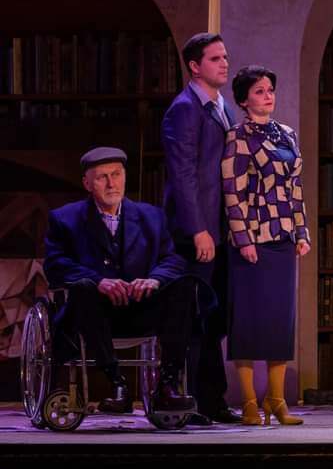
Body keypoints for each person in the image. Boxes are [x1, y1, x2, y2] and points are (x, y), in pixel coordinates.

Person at [43, 147, 196, 415]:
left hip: (140, 309)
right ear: (87, 184)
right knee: (83, 288)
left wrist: (154, 280)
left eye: (116, 174)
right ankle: (116, 384)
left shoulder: (152, 216)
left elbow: (171, 259)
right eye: (102, 177)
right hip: (93, 314)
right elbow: (55, 265)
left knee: (184, 286)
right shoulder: (65, 218)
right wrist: (99, 281)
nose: (111, 183)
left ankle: (168, 385)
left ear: (125, 177)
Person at [222, 65, 311, 426]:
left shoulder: (286, 134)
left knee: (279, 322)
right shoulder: (238, 136)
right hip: (253, 239)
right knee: (248, 321)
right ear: (244, 100)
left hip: (282, 237)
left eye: (270, 89)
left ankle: (276, 400)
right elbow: (232, 191)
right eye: (259, 91)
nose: (267, 96)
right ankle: (248, 402)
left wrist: (301, 233)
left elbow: (295, 188)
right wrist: (243, 238)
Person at [162, 32, 241, 424]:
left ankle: (213, 399)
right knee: (193, 317)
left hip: (221, 228)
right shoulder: (184, 109)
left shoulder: (221, 106)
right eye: (215, 58)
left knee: (215, 319)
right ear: (195, 66)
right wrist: (198, 229)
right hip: (197, 231)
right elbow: (183, 175)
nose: (224, 63)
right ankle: (189, 399)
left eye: (225, 57)